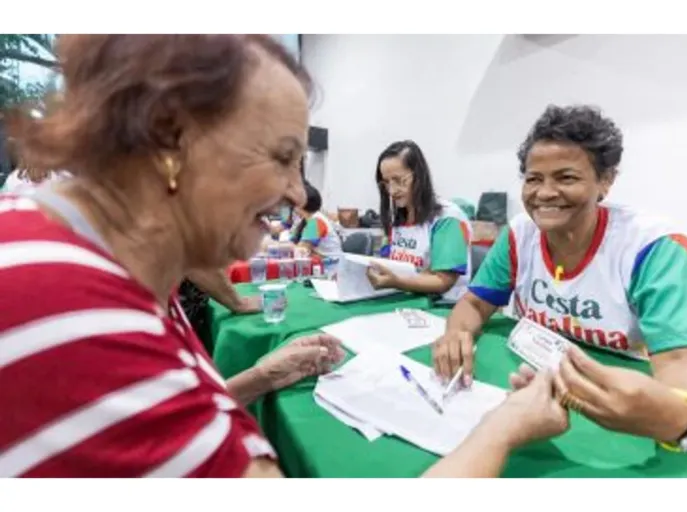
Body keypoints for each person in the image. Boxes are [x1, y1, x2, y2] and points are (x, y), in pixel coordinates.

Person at [0, 35, 567, 478]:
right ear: (171, 139)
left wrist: (256, 377)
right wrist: (501, 430)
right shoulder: (72, 314)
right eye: (282, 158)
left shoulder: (93, 268)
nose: (297, 194)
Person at [433, 104, 687, 451]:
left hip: (617, 399)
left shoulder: (652, 247)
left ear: (605, 181)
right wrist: (457, 332)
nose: (544, 193)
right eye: (533, 178)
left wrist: (677, 417)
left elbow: (686, 360)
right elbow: (475, 302)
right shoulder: (518, 234)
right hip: (532, 383)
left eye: (566, 177)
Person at [367, 140, 472, 303]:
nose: (392, 191)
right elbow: (388, 261)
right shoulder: (397, 218)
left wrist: (397, 282)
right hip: (406, 300)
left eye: (400, 180)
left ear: (419, 176)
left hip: (443, 308)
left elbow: (443, 280)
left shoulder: (447, 218)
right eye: (386, 183)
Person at [291, 180, 342, 256]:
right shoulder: (307, 220)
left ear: (301, 204)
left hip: (330, 265)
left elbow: (301, 251)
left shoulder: (316, 222)